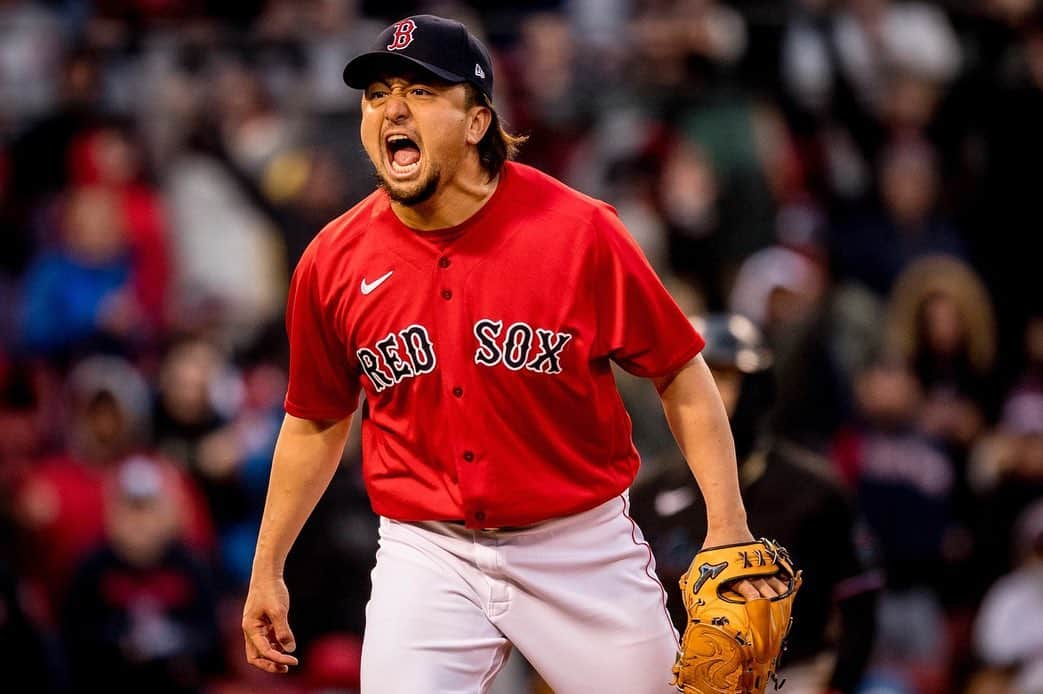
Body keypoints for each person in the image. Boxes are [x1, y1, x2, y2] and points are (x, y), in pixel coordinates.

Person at [242, 15, 784, 693]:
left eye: (420, 91)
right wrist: (268, 566)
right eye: (376, 93)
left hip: (577, 546)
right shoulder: (331, 261)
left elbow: (679, 370)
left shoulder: (578, 232)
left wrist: (728, 524)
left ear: (476, 124)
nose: (392, 109)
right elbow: (315, 419)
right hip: (427, 549)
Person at [630, 314, 881, 694]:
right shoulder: (648, 494)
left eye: (725, 377)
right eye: (701, 379)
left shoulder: (815, 489)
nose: (710, 394)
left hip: (790, 678)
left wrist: (839, 685)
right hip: (678, 677)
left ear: (757, 388)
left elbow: (859, 600)